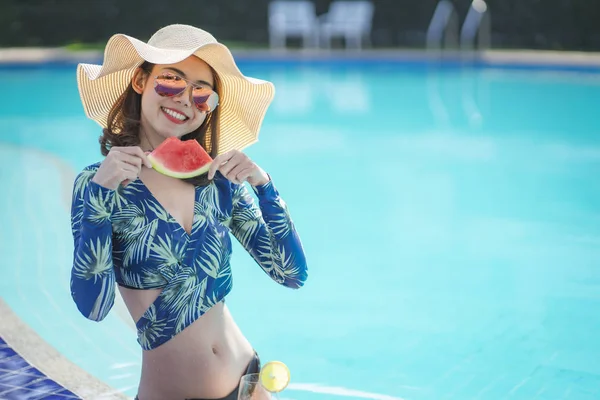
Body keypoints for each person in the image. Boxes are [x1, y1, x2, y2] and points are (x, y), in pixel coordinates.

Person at [70, 24, 308, 400]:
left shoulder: (218, 182)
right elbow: (95, 307)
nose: (184, 99)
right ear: (139, 81)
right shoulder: (98, 184)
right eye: (170, 81)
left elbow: (292, 274)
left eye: (201, 93)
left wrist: (264, 187)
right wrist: (99, 196)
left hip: (249, 384)